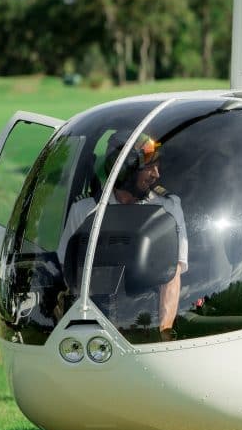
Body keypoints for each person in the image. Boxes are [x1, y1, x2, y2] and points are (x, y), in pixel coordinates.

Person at [58, 133, 188, 335]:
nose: (156, 174)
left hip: (146, 319)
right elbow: (66, 274)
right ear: (124, 171)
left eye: (157, 166)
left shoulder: (167, 209)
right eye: (148, 167)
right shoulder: (85, 211)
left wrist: (163, 332)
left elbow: (171, 277)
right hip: (94, 319)